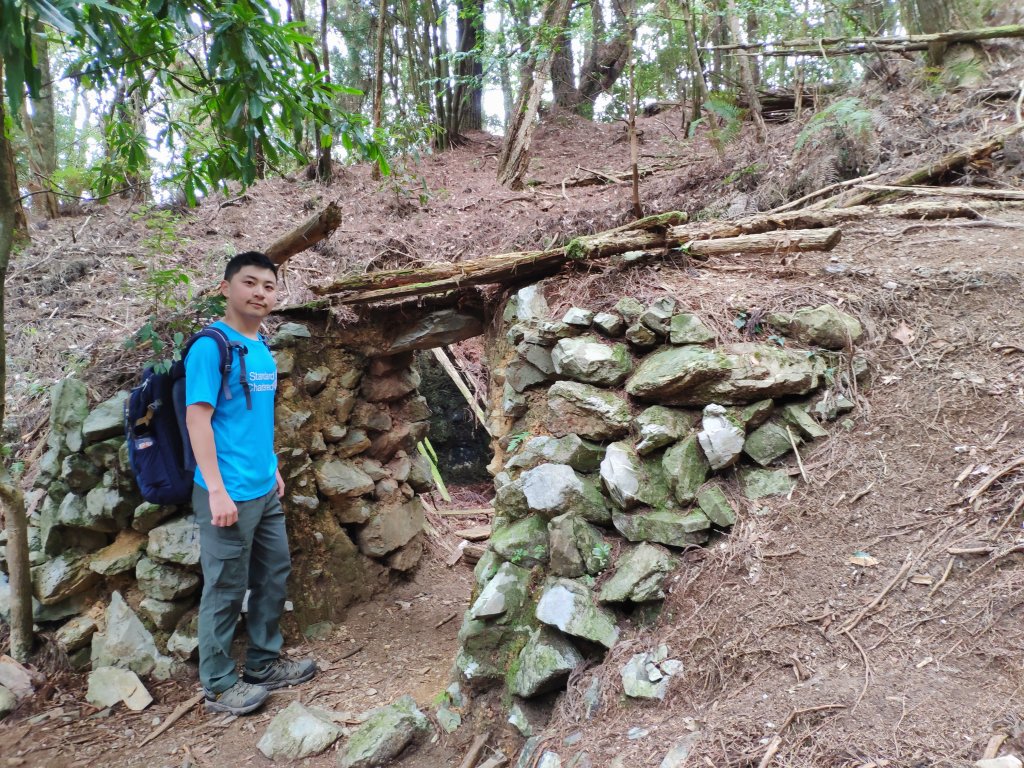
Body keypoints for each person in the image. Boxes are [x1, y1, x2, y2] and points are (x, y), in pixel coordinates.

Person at [185, 251, 317, 715]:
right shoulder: (210, 346)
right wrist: (217, 489)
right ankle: (219, 684)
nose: (260, 293)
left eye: (268, 286)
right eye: (250, 283)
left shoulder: (260, 347)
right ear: (226, 288)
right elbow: (197, 419)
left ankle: (262, 662)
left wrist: (273, 465)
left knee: (273, 574)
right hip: (226, 492)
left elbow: (254, 419)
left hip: (263, 487)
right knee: (224, 588)